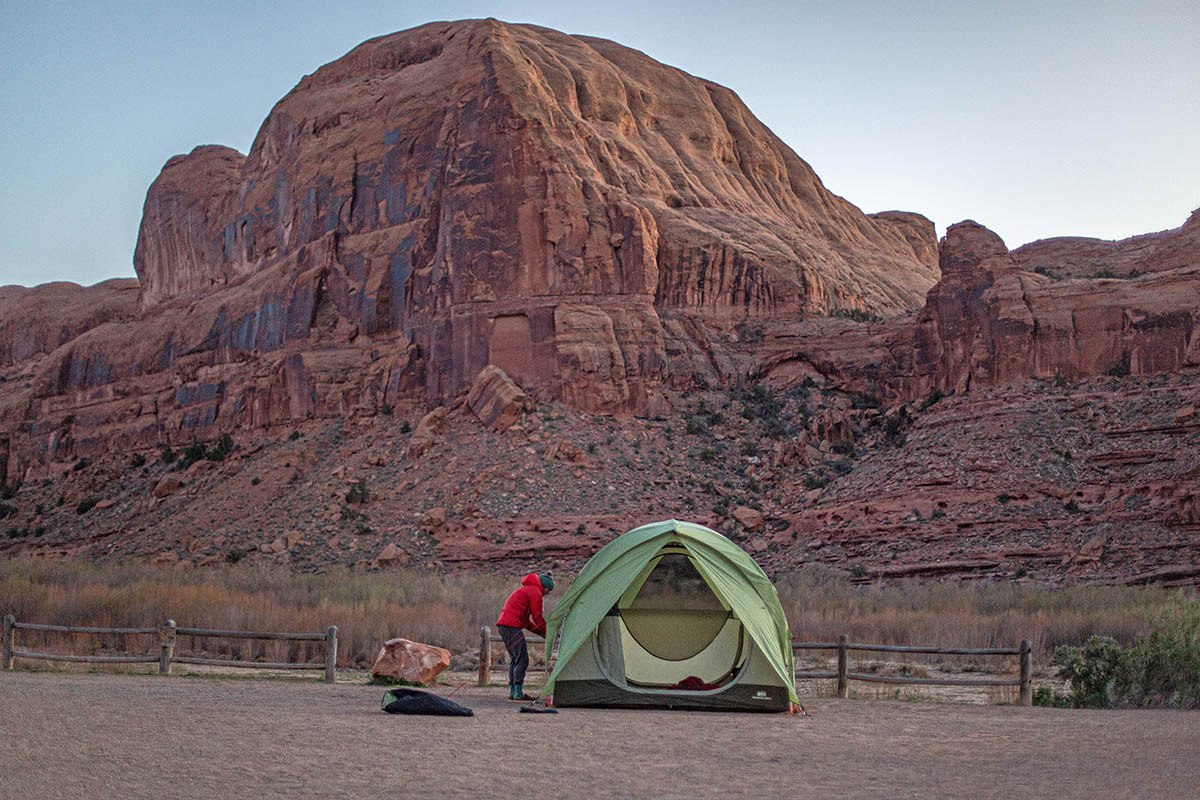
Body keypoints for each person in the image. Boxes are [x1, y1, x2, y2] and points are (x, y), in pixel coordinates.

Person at [495, 571, 554, 701]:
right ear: (545, 587)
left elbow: (526, 621)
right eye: (548, 590)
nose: (547, 593)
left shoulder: (526, 590)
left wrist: (541, 632)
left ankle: (513, 691)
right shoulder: (535, 592)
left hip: (504, 626)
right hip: (511, 627)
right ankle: (518, 692)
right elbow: (537, 616)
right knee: (522, 659)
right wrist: (549, 631)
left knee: (515, 659)